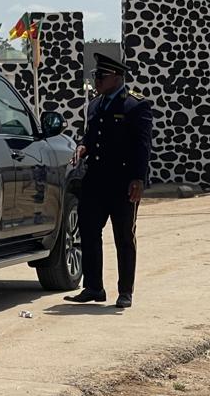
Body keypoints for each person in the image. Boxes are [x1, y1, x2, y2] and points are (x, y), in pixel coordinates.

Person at [65, 53, 153, 309]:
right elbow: (91, 137)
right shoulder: (95, 104)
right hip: (95, 180)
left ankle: (125, 291)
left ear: (116, 77)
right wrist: (82, 147)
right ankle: (93, 287)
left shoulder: (135, 105)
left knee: (124, 236)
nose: (97, 81)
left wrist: (138, 179)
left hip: (123, 182)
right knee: (88, 231)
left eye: (101, 76)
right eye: (96, 76)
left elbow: (142, 146)